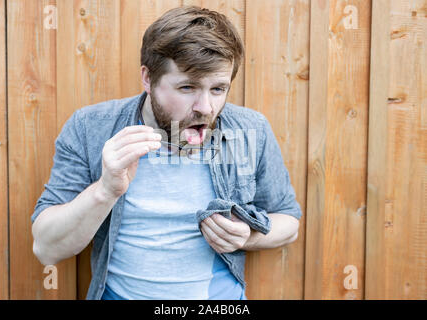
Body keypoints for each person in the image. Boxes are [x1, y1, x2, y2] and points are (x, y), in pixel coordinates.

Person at [31, 5, 302, 300]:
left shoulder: (251, 129)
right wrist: (105, 190)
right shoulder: (90, 128)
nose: (206, 108)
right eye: (187, 87)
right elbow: (47, 248)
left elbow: (288, 222)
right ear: (148, 78)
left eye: (218, 89)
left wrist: (249, 236)